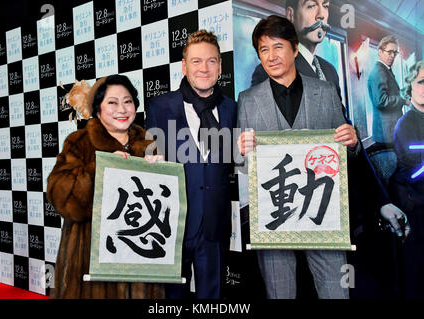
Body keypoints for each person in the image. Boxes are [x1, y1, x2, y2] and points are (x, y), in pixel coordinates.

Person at [237, 15, 358, 299]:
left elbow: (344, 151)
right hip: (274, 216)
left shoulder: (325, 92)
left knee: (336, 292)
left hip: (323, 215)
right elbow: (243, 164)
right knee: (279, 294)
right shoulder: (247, 99)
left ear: (294, 48)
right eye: (263, 50)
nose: (271, 56)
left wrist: (352, 142)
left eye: (277, 47)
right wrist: (240, 151)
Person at [47, 75, 164, 298]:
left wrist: (160, 175)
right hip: (90, 265)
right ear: (98, 109)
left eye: (128, 101)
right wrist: (97, 170)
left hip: (139, 264)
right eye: (112, 102)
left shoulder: (149, 145)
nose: (122, 109)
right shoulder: (79, 142)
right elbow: (59, 196)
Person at [145, 30, 237, 299]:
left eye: (211, 61)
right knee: (172, 298)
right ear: (184, 67)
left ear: (220, 66)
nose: (204, 68)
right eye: (196, 61)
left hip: (215, 224)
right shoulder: (160, 106)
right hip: (172, 224)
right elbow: (150, 158)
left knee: (213, 296)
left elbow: (234, 161)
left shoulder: (232, 108)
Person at [389, 60, 424, 298]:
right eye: (421, 82)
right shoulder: (405, 125)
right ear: (409, 87)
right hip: (416, 203)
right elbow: (414, 172)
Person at [368, 35, 411, 147]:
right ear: (380, 52)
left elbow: (391, 93)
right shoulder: (379, 72)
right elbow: (381, 101)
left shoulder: (385, 70)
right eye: (389, 52)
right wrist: (403, 99)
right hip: (386, 134)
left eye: (395, 52)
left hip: (389, 132)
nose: (392, 56)